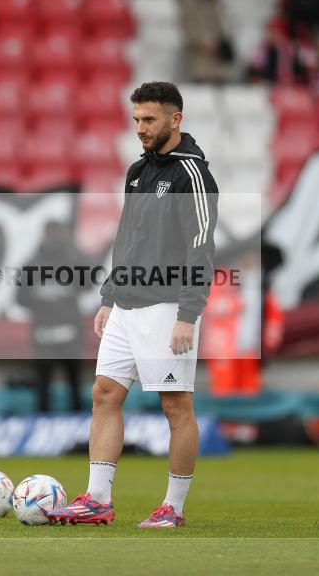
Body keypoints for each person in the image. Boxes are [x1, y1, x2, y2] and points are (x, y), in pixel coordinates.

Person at [47, 82, 219, 528]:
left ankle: (173, 508)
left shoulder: (194, 176)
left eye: (149, 120)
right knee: (104, 395)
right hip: (126, 305)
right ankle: (97, 499)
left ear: (175, 119)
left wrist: (188, 315)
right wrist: (108, 296)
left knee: (174, 406)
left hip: (167, 307)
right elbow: (128, 240)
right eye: (137, 119)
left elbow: (201, 249)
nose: (140, 128)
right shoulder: (138, 171)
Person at [15, 220, 87, 413]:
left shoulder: (73, 261)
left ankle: (78, 427)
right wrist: (40, 296)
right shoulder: (31, 265)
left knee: (74, 383)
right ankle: (43, 425)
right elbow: (20, 298)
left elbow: (88, 283)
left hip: (69, 332)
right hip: (44, 334)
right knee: (44, 385)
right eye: (51, 233)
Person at [179, 0, 234, 83]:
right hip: (198, 57)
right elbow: (187, 25)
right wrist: (205, 43)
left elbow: (223, 21)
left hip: (219, 56)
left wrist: (221, 42)